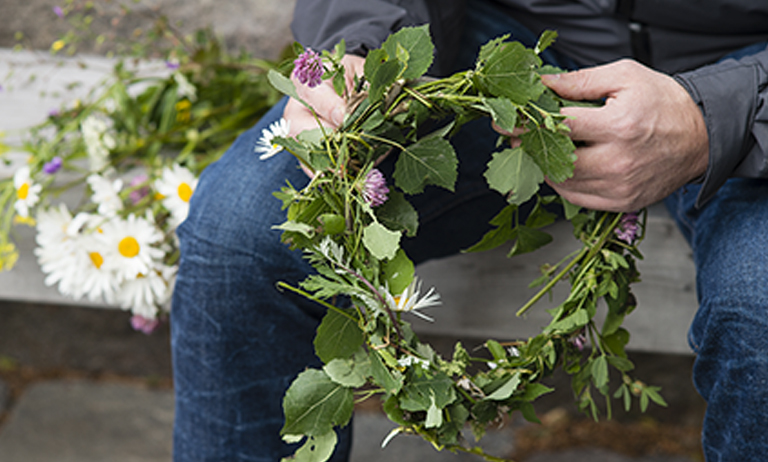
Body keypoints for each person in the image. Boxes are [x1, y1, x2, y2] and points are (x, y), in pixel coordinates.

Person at [170, 1, 768, 461]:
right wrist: (360, 46)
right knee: (242, 231)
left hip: (746, 66)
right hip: (508, 39)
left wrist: (723, 113)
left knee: (760, 309)